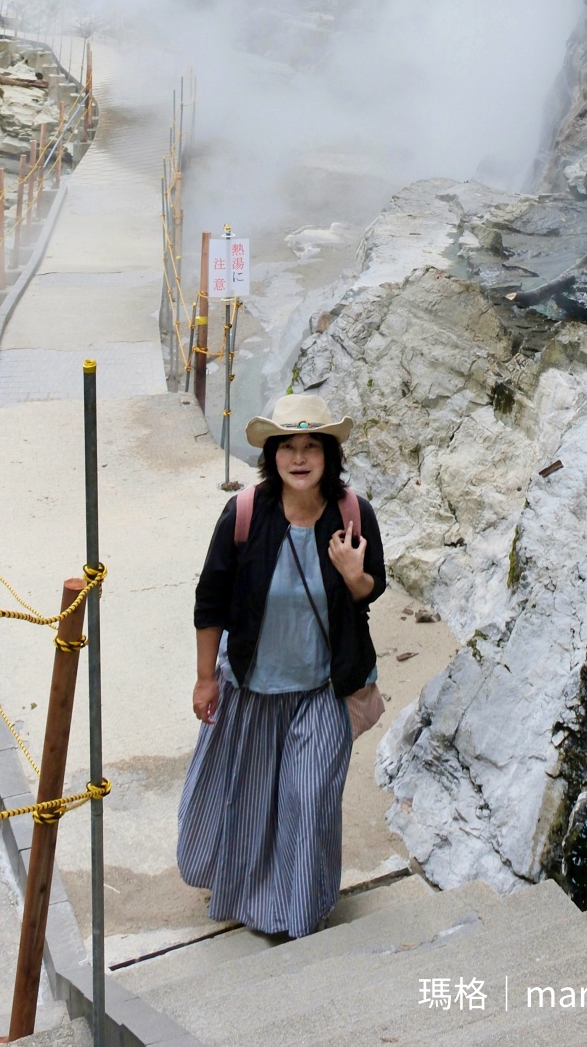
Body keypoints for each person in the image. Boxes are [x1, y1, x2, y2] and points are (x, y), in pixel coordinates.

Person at [177, 392, 386, 939]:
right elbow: (211, 602)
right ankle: (249, 895)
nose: (299, 457)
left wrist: (351, 573)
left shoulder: (352, 513)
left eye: (310, 446)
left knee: (309, 797)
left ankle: (295, 915)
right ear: (272, 455)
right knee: (250, 804)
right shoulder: (245, 514)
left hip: (324, 687)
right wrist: (205, 678)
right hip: (253, 687)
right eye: (287, 446)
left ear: (327, 455)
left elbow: (371, 591)